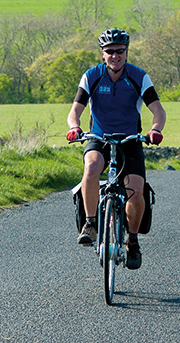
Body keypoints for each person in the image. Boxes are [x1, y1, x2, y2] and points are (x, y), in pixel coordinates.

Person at [66, 28, 165, 270]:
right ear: (102, 54)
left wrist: (155, 130)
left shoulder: (139, 77)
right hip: (98, 137)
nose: (115, 56)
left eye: (120, 51)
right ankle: (90, 223)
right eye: (109, 51)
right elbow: (75, 111)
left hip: (130, 140)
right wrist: (74, 127)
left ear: (126, 52)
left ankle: (132, 241)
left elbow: (158, 111)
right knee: (91, 167)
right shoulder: (91, 76)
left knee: (136, 190)